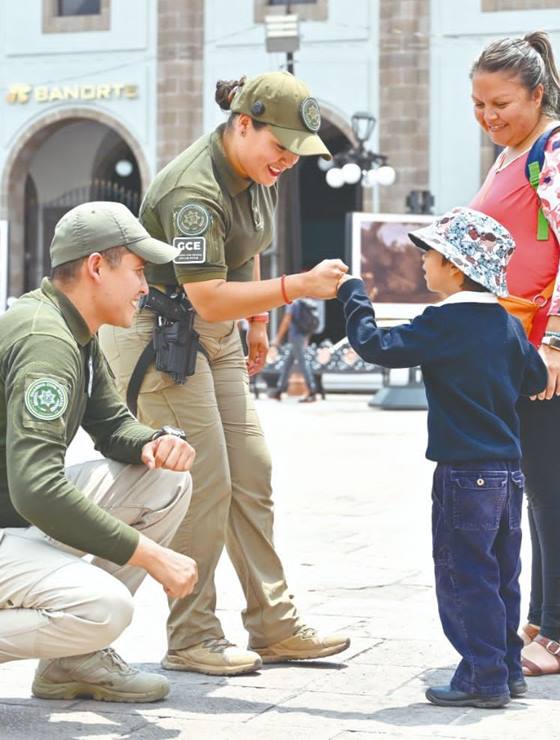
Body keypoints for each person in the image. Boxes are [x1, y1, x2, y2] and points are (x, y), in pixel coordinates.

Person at [0, 202, 198, 730]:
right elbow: (37, 489)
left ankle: (72, 661)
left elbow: (112, 426)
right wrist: (151, 556)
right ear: (97, 267)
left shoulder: (74, 328)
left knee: (164, 482)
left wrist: (153, 444)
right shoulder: (44, 339)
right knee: (105, 607)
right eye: (138, 271)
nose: (146, 287)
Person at [101, 72, 350, 676]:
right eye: (281, 146)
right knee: (203, 482)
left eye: (297, 151)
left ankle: (275, 624)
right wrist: (295, 289)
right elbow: (210, 294)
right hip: (162, 337)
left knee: (252, 470)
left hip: (212, 333)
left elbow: (249, 242)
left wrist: (260, 321)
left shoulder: (257, 169)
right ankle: (192, 635)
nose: (288, 161)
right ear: (244, 124)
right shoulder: (193, 189)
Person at [339, 208, 548, 707]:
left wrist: (353, 295)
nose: (423, 264)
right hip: (508, 472)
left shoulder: (444, 321)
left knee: (463, 573)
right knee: (501, 572)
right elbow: (536, 380)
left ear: (455, 266)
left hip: (464, 473)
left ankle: (483, 678)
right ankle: (506, 665)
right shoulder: (506, 324)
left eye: (428, 255)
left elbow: (376, 345)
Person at [468, 32, 560, 676]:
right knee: (537, 483)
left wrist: (556, 340)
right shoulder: (512, 153)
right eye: (477, 104)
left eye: (500, 102)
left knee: (553, 484)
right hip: (526, 341)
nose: (489, 116)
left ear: (537, 93)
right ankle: (543, 618)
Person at [273, 297, 320, 402]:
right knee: (287, 363)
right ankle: (279, 390)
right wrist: (306, 338)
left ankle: (312, 390)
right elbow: (310, 323)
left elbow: (287, 320)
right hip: (301, 337)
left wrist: (278, 338)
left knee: (303, 363)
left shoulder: (293, 303)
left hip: (295, 337)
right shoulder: (306, 303)